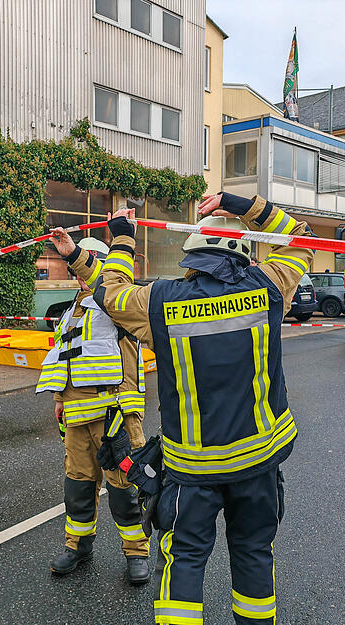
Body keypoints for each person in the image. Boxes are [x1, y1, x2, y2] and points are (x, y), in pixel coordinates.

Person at [88, 192, 313, 625]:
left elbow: (109, 291)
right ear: (244, 256)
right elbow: (302, 237)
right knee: (252, 553)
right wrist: (241, 204)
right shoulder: (268, 285)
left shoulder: (159, 302)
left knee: (184, 560)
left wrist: (121, 240)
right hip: (258, 462)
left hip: (193, 469)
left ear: (189, 259)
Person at [37, 236, 150, 584]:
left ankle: (136, 553)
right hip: (76, 416)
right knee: (79, 486)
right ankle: (78, 545)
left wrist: (79, 256)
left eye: (84, 265)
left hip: (115, 416)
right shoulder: (72, 311)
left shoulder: (118, 306)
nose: (80, 275)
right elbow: (63, 359)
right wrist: (58, 400)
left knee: (123, 489)